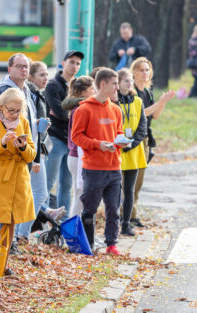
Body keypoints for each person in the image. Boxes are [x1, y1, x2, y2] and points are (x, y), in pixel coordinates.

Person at [71, 68, 130, 255]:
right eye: (114, 83)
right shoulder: (84, 109)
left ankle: (111, 244)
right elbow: (76, 137)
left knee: (113, 209)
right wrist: (99, 145)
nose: (117, 87)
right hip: (94, 168)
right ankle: (87, 245)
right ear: (102, 84)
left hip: (114, 167)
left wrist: (121, 141)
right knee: (89, 209)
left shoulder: (116, 109)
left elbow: (119, 132)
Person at [0, 88, 36, 274]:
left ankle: (1, 263)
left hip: (18, 178)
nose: (15, 114)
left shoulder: (24, 122)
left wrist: (22, 147)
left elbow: (31, 155)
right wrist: (2, 143)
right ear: (1, 106)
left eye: (19, 110)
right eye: (11, 110)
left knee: (11, 222)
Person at [15, 61, 64, 242]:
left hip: (38, 148)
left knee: (37, 192)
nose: (46, 78)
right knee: (38, 192)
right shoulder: (29, 95)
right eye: (42, 75)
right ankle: (21, 234)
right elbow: (28, 127)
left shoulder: (36, 94)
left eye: (47, 74)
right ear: (31, 77)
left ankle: (22, 232)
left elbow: (36, 125)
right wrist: (35, 158)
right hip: (31, 150)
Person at [131, 57, 175, 227]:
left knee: (140, 178)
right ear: (134, 72)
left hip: (145, 138)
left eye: (147, 70)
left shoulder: (148, 92)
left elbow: (154, 115)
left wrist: (163, 102)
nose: (145, 73)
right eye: (141, 70)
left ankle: (133, 213)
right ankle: (127, 214)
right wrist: (161, 102)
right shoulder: (132, 92)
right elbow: (141, 113)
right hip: (134, 138)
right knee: (130, 178)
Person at [44, 50, 83, 219]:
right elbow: (60, 112)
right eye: (72, 62)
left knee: (66, 185)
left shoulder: (76, 86)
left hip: (71, 141)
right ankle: (43, 221)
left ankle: (64, 221)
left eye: (78, 63)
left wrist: (67, 113)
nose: (75, 66)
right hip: (55, 139)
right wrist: (70, 114)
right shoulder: (53, 85)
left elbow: (69, 113)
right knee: (48, 183)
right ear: (63, 63)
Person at [115, 68, 147, 236]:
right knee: (114, 190)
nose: (129, 84)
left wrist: (132, 143)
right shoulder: (113, 102)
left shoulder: (138, 102)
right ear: (118, 83)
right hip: (117, 151)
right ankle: (114, 222)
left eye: (130, 81)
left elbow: (143, 127)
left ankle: (126, 223)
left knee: (129, 190)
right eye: (126, 81)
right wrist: (120, 143)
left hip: (133, 152)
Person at [61, 76, 96, 218]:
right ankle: (73, 230)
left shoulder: (82, 107)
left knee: (81, 195)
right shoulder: (80, 109)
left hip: (78, 156)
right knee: (79, 196)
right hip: (78, 156)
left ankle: (79, 230)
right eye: (92, 89)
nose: (95, 91)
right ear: (83, 93)